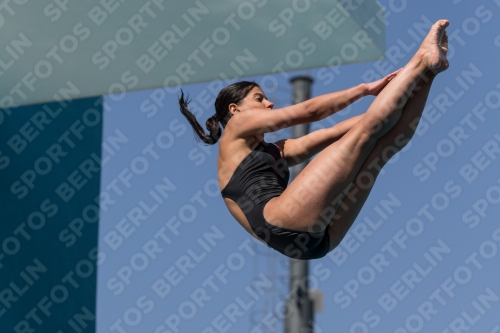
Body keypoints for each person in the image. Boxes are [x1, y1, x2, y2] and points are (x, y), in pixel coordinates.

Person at [179, 20, 450, 259]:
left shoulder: (275, 151)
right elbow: (311, 112)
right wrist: (365, 90)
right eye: (259, 99)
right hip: (284, 219)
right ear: (234, 109)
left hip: (315, 243)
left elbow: (333, 133)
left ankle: (428, 72)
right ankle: (421, 60)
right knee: (369, 132)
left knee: (384, 145)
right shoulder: (237, 125)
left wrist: (403, 94)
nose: (270, 103)